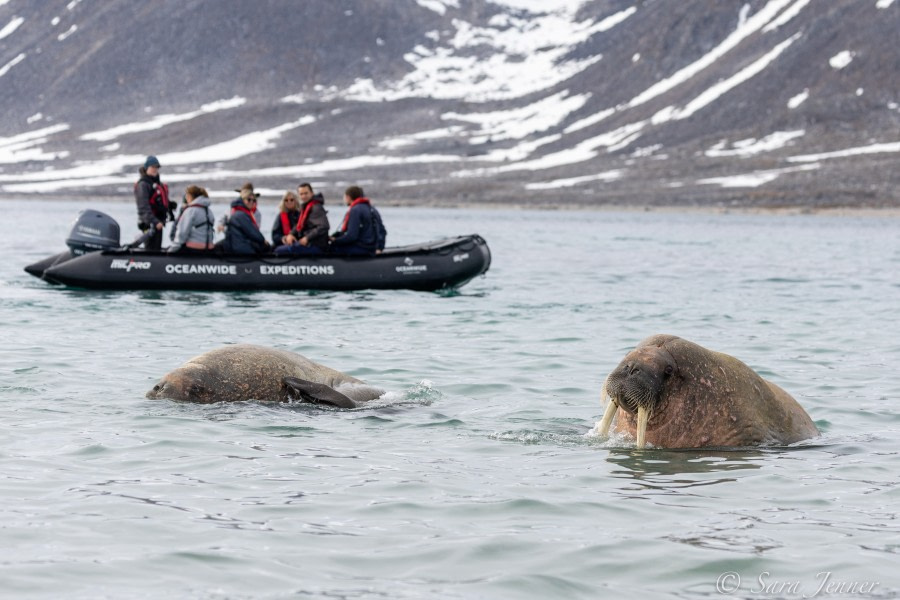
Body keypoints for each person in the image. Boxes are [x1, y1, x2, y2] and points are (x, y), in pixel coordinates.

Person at [273, 183, 330, 255]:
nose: (304, 196)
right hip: (309, 243)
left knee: (279, 251)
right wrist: (290, 234)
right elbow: (299, 224)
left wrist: (307, 238)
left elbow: (324, 226)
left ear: (312, 193)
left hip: (315, 245)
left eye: (306, 193)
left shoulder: (316, 208)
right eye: (301, 194)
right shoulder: (306, 207)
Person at [329, 185, 386, 256]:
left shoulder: (355, 210)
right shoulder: (373, 209)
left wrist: (335, 240)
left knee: (332, 248)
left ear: (348, 197)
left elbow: (352, 236)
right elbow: (382, 231)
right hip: (372, 248)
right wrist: (379, 248)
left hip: (361, 248)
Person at [134, 155, 175, 251]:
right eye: (152, 167)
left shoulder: (156, 184)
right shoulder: (143, 185)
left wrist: (169, 205)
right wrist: (155, 222)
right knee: (151, 249)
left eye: (156, 167)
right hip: (150, 223)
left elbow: (158, 201)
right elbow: (143, 207)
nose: (155, 169)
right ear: (146, 168)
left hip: (159, 222)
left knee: (156, 248)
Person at [220, 187, 269, 254]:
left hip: (236, 245)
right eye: (249, 200)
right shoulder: (241, 215)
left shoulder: (239, 211)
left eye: (254, 200)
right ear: (243, 200)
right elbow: (253, 232)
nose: (251, 202)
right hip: (240, 248)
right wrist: (263, 241)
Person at [168, 185, 215, 254]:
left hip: (194, 248)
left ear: (190, 196)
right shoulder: (209, 211)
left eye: (187, 196)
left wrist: (171, 250)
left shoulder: (190, 211)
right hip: (209, 247)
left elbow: (182, 234)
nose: (186, 198)